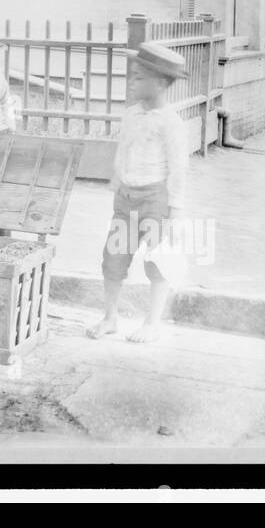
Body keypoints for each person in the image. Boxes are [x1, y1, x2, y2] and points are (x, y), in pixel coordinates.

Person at [87, 41, 189, 344]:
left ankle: (152, 322)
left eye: (139, 77)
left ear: (159, 83)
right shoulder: (131, 114)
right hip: (126, 198)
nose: (132, 82)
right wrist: (117, 181)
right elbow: (123, 149)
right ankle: (110, 318)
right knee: (114, 258)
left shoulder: (171, 122)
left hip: (155, 200)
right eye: (132, 75)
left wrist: (176, 210)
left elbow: (179, 169)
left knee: (157, 261)